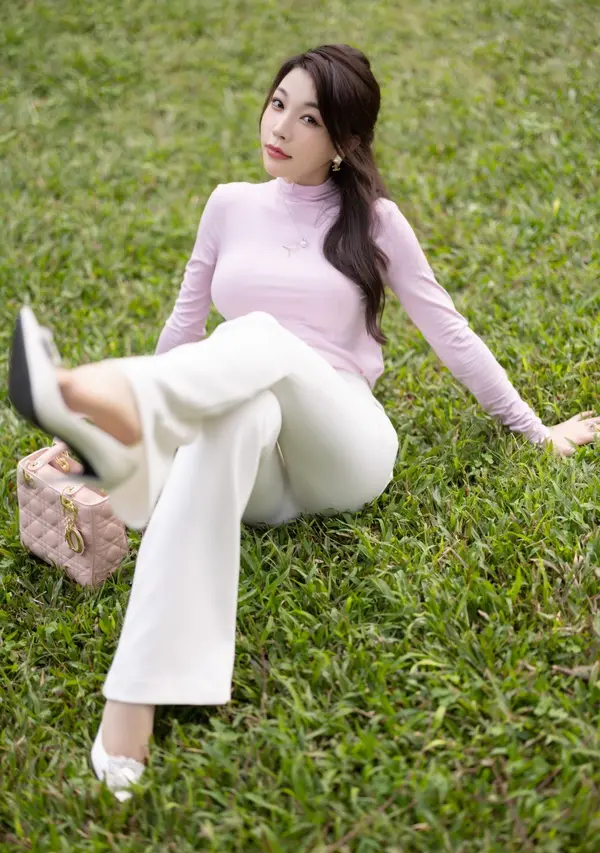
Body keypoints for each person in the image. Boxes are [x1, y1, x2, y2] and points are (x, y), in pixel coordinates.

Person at [7, 43, 599, 802]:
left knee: (255, 334)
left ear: (344, 141)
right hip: (257, 473)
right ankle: (134, 697)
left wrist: (535, 430)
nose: (281, 126)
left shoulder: (377, 222)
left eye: (309, 118)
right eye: (277, 103)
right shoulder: (229, 204)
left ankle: (99, 398)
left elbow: (449, 330)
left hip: (343, 448)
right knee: (235, 405)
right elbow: (183, 329)